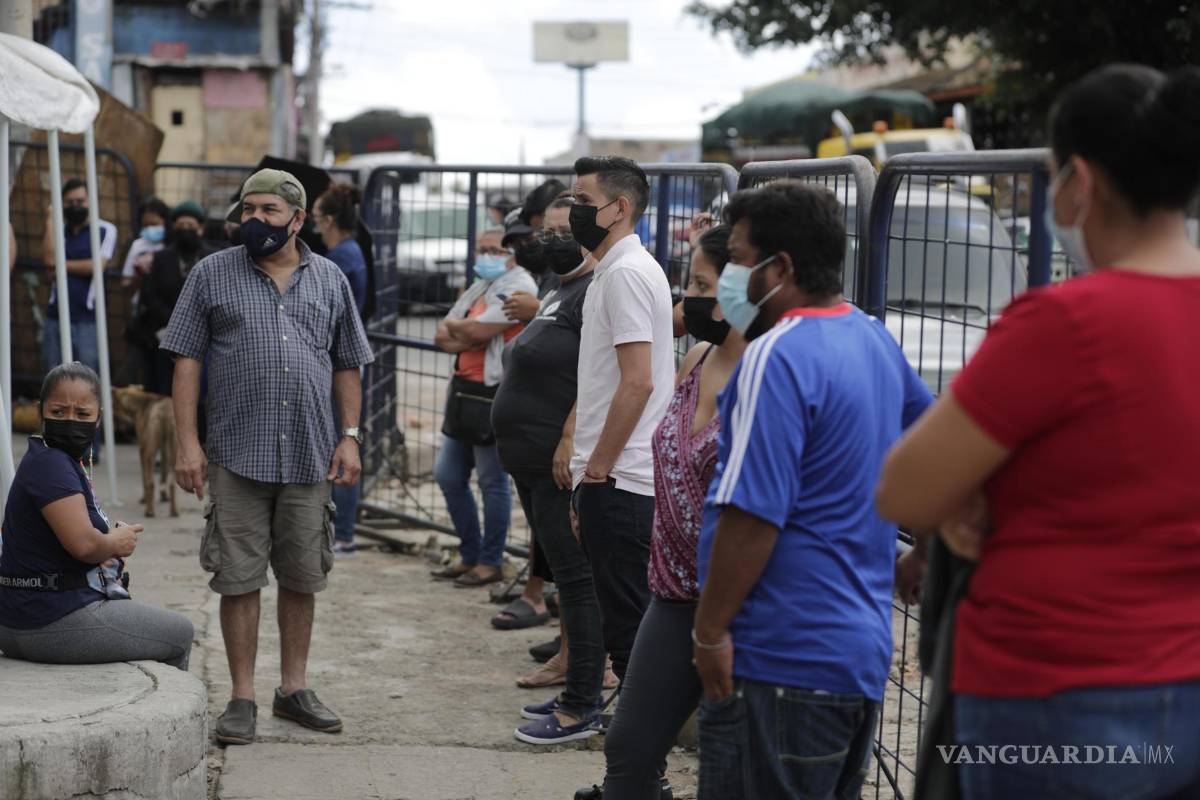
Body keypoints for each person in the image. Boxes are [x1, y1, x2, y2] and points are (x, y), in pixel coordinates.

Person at [876, 64, 1200, 800]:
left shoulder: (1066, 321)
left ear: (1080, 181)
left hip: (1056, 692)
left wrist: (974, 493)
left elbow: (904, 490)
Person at [691, 181, 932, 800]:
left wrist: (711, 631)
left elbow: (750, 516)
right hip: (854, 658)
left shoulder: (775, 357)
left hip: (779, 657)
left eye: (740, 259)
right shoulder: (871, 336)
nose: (731, 275)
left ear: (782, 268)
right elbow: (936, 447)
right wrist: (928, 549)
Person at [162, 168, 374, 745]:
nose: (254, 220)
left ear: (299, 219)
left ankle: (293, 688)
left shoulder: (330, 279)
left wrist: (350, 434)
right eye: (247, 210)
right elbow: (185, 360)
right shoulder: (211, 274)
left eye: (269, 212)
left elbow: (348, 362)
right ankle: (242, 696)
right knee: (238, 578)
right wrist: (188, 443)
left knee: (303, 576)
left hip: (309, 456)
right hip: (236, 454)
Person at [591, 220, 744, 798]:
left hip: (737, 604)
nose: (690, 298)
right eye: (691, 283)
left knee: (730, 766)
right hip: (674, 590)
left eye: (703, 285)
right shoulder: (700, 356)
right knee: (629, 750)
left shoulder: (769, 372)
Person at [488, 197, 607, 744]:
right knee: (563, 575)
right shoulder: (559, 288)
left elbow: (599, 376)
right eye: (547, 231)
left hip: (558, 463)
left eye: (564, 231)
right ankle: (572, 682)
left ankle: (583, 700)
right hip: (528, 460)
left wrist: (567, 439)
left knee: (578, 581)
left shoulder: (596, 291)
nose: (551, 240)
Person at [0, 363, 193, 671]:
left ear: (99, 417)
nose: (71, 421)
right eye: (59, 412)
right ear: (41, 413)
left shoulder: (55, 459)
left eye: (82, 414)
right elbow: (84, 546)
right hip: (48, 620)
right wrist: (116, 542)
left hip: (31, 614)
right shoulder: (52, 464)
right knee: (180, 632)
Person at [569, 158, 674, 705]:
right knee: (627, 635)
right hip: (612, 479)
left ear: (620, 208)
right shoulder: (614, 270)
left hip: (622, 482)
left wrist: (598, 471)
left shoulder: (628, 273)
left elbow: (636, 383)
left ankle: (638, 773)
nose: (573, 212)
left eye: (583, 202)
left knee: (630, 641)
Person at [430, 227, 537, 588]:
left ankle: (490, 560)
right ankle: (470, 552)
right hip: (463, 392)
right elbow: (441, 334)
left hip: (493, 394)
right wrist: (465, 328)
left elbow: (473, 334)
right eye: (481, 249)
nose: (485, 256)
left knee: (492, 481)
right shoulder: (481, 286)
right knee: (448, 474)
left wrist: (461, 328)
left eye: (493, 249)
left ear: (511, 254)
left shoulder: (519, 286)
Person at [312, 184, 370, 556]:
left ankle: (343, 529)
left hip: (337, 365)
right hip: (334, 362)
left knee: (341, 444)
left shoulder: (342, 261)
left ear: (329, 220)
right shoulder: (345, 254)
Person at [130, 201, 213, 396]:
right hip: (164, 332)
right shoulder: (161, 258)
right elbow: (149, 295)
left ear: (200, 229)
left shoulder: (211, 257)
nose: (186, 231)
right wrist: (174, 321)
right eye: (181, 226)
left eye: (191, 227)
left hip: (203, 334)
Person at [40, 178, 116, 379]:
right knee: (52, 378)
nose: (76, 206)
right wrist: (50, 219)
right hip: (55, 317)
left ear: (90, 201)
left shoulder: (104, 230)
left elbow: (96, 266)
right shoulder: (58, 231)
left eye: (80, 201)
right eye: (69, 202)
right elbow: (48, 264)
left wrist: (60, 265)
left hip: (88, 319)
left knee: (87, 378)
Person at [121, 196, 170, 289]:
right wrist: (139, 276)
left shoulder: (171, 244)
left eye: (154, 224)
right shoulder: (138, 245)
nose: (150, 228)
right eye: (146, 225)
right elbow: (125, 281)